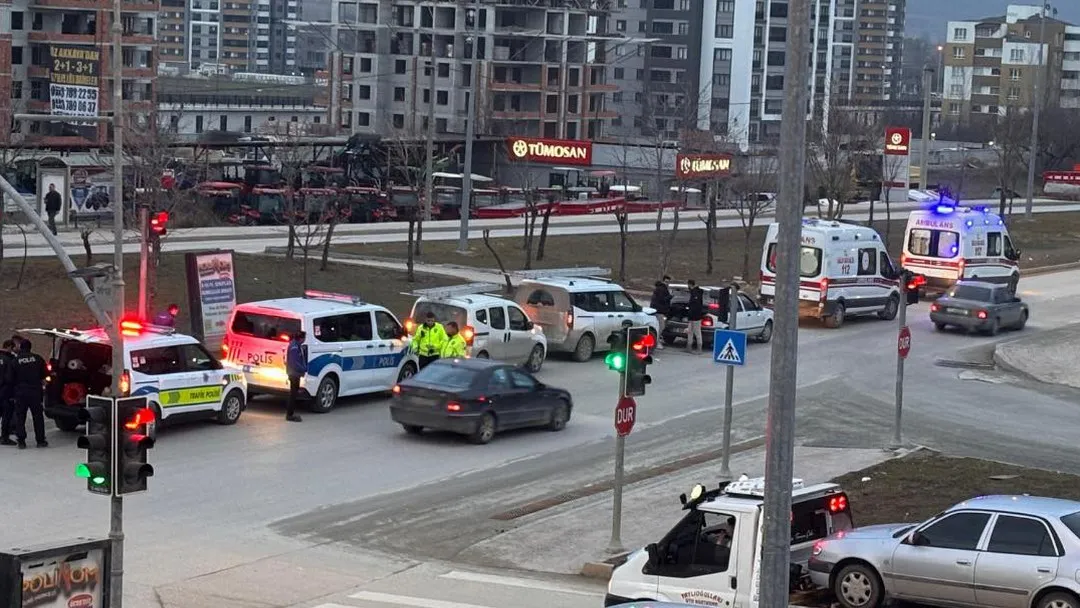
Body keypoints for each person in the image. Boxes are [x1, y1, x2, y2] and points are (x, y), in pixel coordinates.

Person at [10, 339, 48, 449]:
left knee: (20, 417)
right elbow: (45, 375)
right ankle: (40, 441)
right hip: (35, 392)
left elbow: (11, 378)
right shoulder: (38, 358)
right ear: (30, 347)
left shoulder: (15, 361)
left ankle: (21, 441)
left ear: (21, 347)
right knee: (38, 416)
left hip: (20, 392)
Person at [284, 331, 307, 423]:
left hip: (294, 373)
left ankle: (290, 413)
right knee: (293, 394)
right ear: (301, 338)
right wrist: (303, 369)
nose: (304, 340)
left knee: (294, 392)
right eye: (304, 338)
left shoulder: (296, 345)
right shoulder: (294, 347)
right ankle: (290, 414)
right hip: (294, 374)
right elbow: (294, 363)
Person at [0, 340, 16, 446]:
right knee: (7, 415)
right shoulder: (9, 360)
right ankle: (4, 437)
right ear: (9, 347)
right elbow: (10, 378)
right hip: (5, 391)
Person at [650, 275, 672, 350]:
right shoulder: (662, 289)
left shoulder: (660, 288)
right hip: (659, 311)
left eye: (668, 282)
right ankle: (656, 342)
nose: (667, 283)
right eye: (666, 282)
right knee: (661, 326)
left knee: (660, 326)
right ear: (663, 281)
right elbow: (662, 299)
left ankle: (657, 340)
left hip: (657, 310)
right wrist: (670, 297)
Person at [686, 279, 705, 354]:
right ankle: (689, 347)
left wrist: (690, 315)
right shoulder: (696, 292)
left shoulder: (695, 293)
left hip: (695, 316)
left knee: (697, 332)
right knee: (690, 332)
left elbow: (694, 306)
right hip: (694, 316)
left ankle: (699, 349)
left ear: (690, 285)